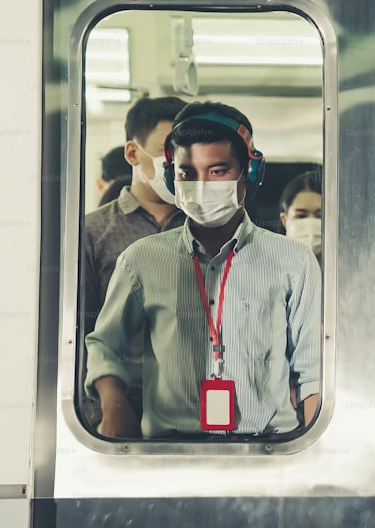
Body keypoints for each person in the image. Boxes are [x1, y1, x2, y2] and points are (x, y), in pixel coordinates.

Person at [85, 101, 321, 440]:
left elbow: (311, 371)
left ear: (249, 173)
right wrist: (114, 404)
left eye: (218, 171)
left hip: (269, 452)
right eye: (187, 173)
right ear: (171, 177)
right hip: (169, 453)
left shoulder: (293, 262)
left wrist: (311, 453)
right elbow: (105, 344)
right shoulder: (141, 260)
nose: (201, 185)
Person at [81, 97, 189, 424]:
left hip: (188, 411)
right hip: (115, 412)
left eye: (184, 152)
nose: (177, 162)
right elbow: (82, 329)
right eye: (165, 150)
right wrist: (107, 406)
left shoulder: (205, 228)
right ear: (133, 153)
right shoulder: (92, 232)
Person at [279, 169, 323, 260]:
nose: (311, 225)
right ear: (284, 220)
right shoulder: (271, 265)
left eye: (320, 216)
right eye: (301, 216)